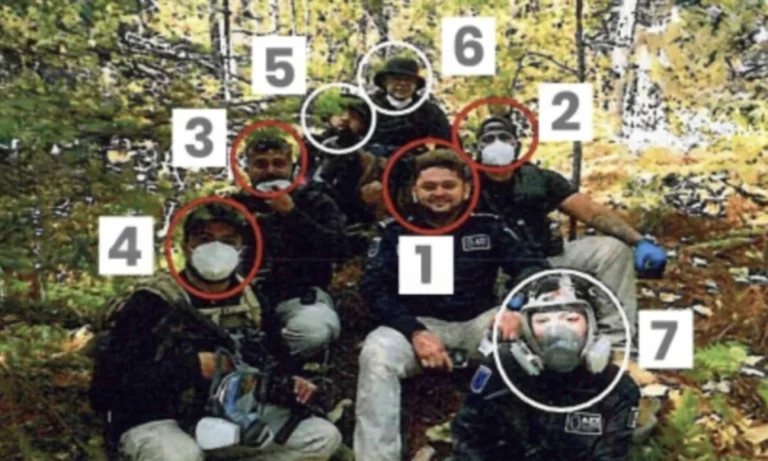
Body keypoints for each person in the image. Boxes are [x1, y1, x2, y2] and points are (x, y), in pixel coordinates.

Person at [87, 203, 341, 461]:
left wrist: (293, 384)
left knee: (320, 437)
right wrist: (189, 367)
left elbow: (278, 359)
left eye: (228, 241)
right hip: (159, 420)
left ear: (241, 248)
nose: (216, 248)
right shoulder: (153, 301)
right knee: (179, 456)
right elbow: (106, 387)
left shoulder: (253, 301)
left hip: (231, 417)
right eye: (204, 239)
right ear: (187, 245)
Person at [354, 149, 551, 461]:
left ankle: (543, 447)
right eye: (429, 186)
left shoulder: (488, 226)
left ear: (466, 190)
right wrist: (414, 331)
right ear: (415, 191)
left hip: (479, 323)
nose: (439, 193)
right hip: (418, 325)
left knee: (537, 333)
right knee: (376, 353)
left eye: (448, 185)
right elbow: (374, 290)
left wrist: (513, 307)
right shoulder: (394, 231)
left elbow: (532, 268)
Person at [474, 116, 668, 351]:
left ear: (517, 145)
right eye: (489, 139)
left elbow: (592, 213)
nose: (497, 145)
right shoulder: (465, 184)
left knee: (612, 251)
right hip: (498, 269)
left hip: (547, 256)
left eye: (504, 138)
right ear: (477, 148)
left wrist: (639, 240)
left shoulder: (540, 179)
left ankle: (617, 342)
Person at [451, 273, 641, 461]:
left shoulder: (617, 389)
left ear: (591, 325)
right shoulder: (501, 370)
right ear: (527, 328)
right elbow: (468, 440)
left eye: (570, 319)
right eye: (543, 321)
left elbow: (611, 455)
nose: (556, 331)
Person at [232, 135, 345, 366]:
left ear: (292, 167)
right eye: (261, 164)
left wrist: (292, 215)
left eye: (278, 163)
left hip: (298, 297)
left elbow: (339, 249)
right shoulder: (232, 207)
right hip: (241, 302)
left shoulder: (316, 202)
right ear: (248, 169)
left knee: (314, 332)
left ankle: (265, 363)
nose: (270, 171)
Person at [366, 56, 452, 157]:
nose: (403, 84)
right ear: (385, 81)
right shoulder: (366, 107)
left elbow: (447, 143)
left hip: (416, 161)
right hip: (373, 160)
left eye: (409, 80)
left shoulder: (430, 111)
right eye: (397, 79)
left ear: (416, 84)